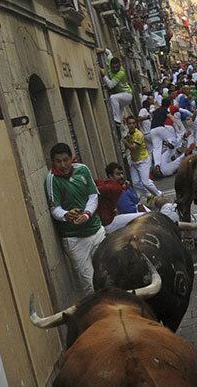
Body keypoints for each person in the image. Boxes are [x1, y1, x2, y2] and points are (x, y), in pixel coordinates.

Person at [45, 143, 106, 294]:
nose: (63, 165)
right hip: (74, 240)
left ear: (71, 159)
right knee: (90, 284)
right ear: (52, 162)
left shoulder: (83, 170)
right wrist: (66, 215)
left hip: (96, 231)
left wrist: (86, 214)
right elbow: (54, 208)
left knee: (107, 274)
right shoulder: (52, 179)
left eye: (66, 160)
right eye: (58, 161)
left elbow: (93, 196)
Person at [122, 114, 162, 199]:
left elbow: (133, 148)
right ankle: (148, 195)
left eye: (133, 123)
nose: (131, 125)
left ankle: (158, 194)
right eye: (129, 123)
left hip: (143, 160)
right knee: (136, 183)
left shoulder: (138, 134)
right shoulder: (128, 134)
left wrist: (125, 142)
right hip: (134, 161)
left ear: (136, 124)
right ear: (127, 125)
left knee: (146, 182)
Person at [101, 57, 133, 126]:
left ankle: (117, 120)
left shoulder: (120, 73)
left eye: (117, 67)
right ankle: (121, 128)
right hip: (121, 95)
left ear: (120, 65)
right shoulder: (109, 59)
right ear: (110, 65)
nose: (115, 69)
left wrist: (104, 76)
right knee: (119, 111)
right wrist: (102, 50)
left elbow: (111, 85)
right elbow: (108, 52)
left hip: (127, 94)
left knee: (113, 98)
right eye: (113, 67)